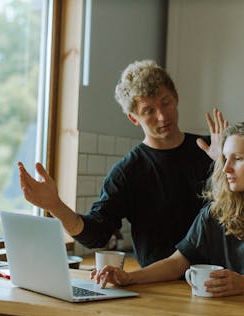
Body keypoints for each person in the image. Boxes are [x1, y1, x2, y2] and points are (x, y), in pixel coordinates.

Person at [18, 59, 227, 267]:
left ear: (176, 98)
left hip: (219, 278)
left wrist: (223, 164)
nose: (162, 116)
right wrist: (55, 206)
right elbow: (97, 234)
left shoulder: (211, 150)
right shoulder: (128, 172)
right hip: (158, 285)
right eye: (149, 111)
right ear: (134, 118)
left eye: (165, 102)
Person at [95, 118, 244, 299]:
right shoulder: (219, 208)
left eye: (237, 158)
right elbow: (177, 262)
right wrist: (129, 278)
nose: (225, 168)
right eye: (224, 158)